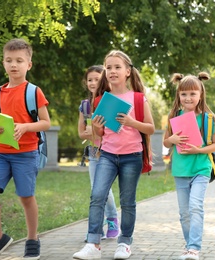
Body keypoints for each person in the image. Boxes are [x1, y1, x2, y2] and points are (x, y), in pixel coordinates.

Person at [73, 50, 155, 260]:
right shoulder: (101, 100)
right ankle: (93, 244)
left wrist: (131, 122)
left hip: (132, 157)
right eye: (108, 67)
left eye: (117, 67)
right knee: (97, 196)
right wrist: (97, 128)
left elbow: (150, 128)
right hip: (107, 155)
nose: (112, 71)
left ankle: (124, 243)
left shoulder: (138, 98)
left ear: (128, 71)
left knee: (128, 202)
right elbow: (98, 133)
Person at [0, 38, 50, 259]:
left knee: (26, 197)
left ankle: (32, 239)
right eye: (9, 60)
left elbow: (46, 123)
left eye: (19, 60)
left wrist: (25, 126)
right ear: (3, 63)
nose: (13, 65)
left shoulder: (34, 92)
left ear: (29, 64)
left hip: (25, 154)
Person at [163, 72, 215, 260]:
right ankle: (189, 247)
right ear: (179, 96)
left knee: (195, 206)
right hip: (180, 171)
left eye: (192, 94)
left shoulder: (208, 118)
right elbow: (165, 143)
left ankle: (194, 248)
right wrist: (171, 139)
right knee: (184, 213)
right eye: (184, 94)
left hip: (201, 169)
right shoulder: (174, 115)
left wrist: (198, 149)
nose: (188, 98)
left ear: (200, 95)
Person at [77, 65, 119, 240]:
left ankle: (110, 221)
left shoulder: (110, 102)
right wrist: (89, 132)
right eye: (90, 80)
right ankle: (103, 225)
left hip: (109, 151)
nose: (93, 82)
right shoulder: (85, 105)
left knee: (102, 189)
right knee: (97, 190)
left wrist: (97, 130)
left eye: (97, 79)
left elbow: (116, 129)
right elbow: (81, 133)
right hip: (94, 152)